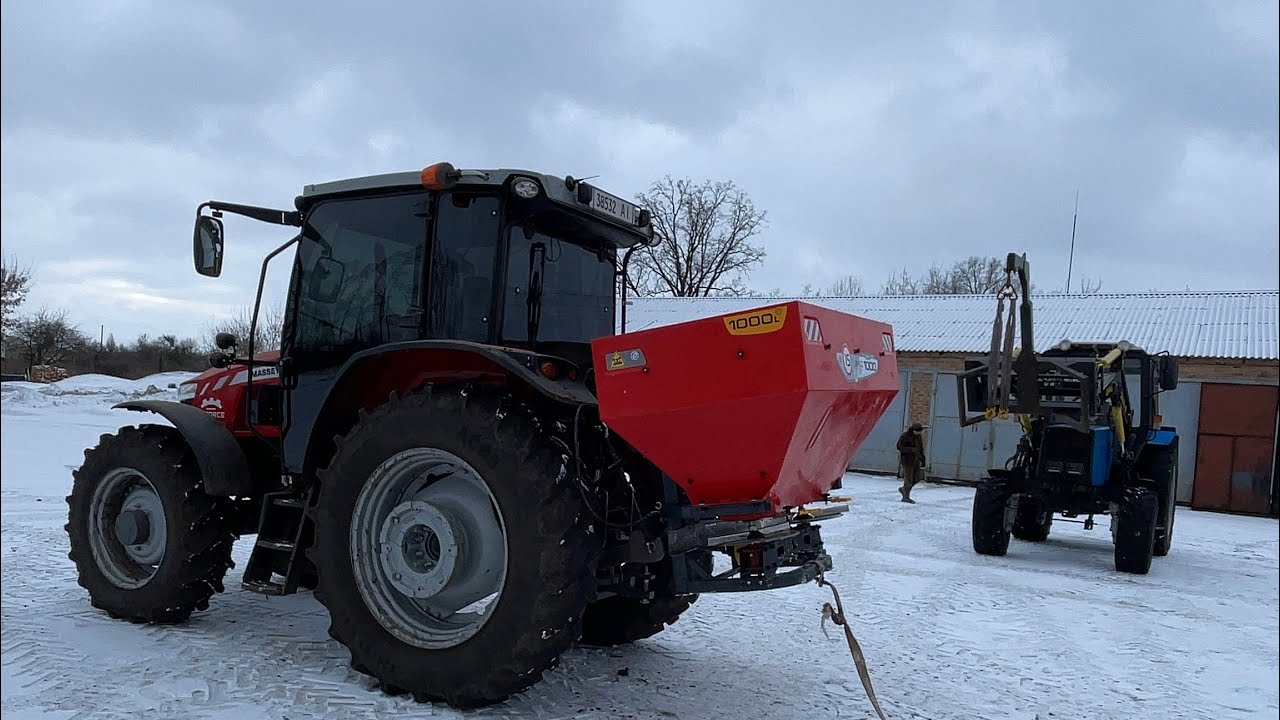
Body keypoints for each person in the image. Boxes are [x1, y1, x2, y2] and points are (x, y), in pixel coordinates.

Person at [896, 422, 926, 503]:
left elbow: (920, 448)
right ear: (913, 430)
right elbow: (899, 446)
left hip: (916, 460)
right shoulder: (905, 436)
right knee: (908, 479)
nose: (918, 433)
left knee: (918, 477)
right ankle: (906, 497)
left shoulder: (918, 437)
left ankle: (903, 489)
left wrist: (923, 459)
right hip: (907, 460)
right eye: (917, 431)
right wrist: (910, 449)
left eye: (920, 432)